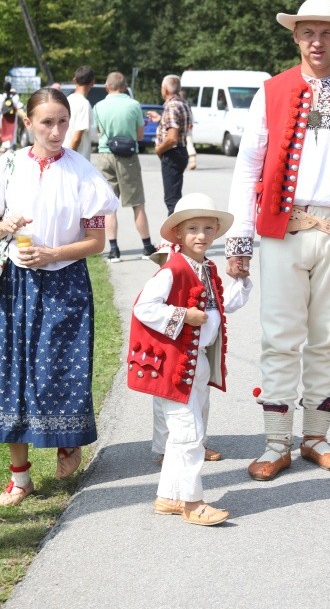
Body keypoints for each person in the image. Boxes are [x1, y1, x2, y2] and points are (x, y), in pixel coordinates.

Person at [225, 0, 330, 481]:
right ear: (295, 37)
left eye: (325, 32)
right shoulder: (272, 91)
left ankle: (317, 435)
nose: (316, 41)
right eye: (307, 33)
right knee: (280, 336)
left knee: (327, 336)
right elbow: (247, 170)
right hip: (284, 229)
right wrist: (239, 240)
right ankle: (276, 442)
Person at [0, 87, 119, 506]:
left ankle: (67, 441)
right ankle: (20, 477)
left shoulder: (84, 174)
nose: (55, 130)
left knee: (60, 371)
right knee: (13, 375)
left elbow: (96, 241)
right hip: (16, 281)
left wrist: (53, 253)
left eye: (62, 121)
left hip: (65, 280)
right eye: (46, 122)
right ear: (28, 123)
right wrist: (5, 224)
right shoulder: (7, 166)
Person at [128, 193, 252, 526]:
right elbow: (144, 307)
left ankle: (169, 496)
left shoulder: (206, 268)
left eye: (208, 228)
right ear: (179, 235)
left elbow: (217, 311)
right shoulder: (173, 270)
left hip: (198, 365)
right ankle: (193, 503)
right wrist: (183, 315)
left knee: (186, 433)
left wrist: (240, 281)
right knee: (189, 434)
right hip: (177, 367)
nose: (201, 235)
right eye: (193, 228)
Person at [148, 241, 224, 465]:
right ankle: (164, 449)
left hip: (198, 351)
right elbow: (148, 310)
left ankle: (199, 442)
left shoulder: (203, 275)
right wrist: (182, 316)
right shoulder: (164, 280)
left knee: (201, 400)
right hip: (172, 352)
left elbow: (219, 305)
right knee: (166, 403)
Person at [93, 71, 156, 262]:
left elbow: (99, 131)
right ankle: (146, 247)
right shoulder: (134, 105)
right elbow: (139, 135)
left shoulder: (98, 106)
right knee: (137, 204)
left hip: (105, 154)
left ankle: (114, 250)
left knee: (110, 205)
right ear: (124, 86)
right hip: (128, 157)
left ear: (107, 86)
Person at [147, 75, 191, 215]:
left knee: (172, 199)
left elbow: (172, 138)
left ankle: (175, 233)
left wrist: (159, 149)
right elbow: (179, 127)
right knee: (175, 195)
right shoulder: (182, 103)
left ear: (164, 89)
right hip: (181, 151)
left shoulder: (171, 106)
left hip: (172, 153)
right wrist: (160, 119)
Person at [63, 65, 96, 161]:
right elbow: (77, 137)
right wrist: (68, 159)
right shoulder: (84, 104)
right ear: (93, 82)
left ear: (74, 80)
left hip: (62, 153)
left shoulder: (66, 100)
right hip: (76, 159)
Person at [0, 80, 25, 153]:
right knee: (13, 130)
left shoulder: (1, 97)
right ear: (10, 87)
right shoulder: (15, 96)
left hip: (4, 116)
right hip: (13, 116)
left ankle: (5, 145)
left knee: (4, 129)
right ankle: (12, 145)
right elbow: (18, 106)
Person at [179, 89, 197, 171]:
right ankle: (191, 161)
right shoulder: (187, 105)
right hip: (187, 127)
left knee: (187, 143)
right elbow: (191, 116)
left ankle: (192, 161)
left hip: (181, 127)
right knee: (189, 143)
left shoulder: (181, 105)